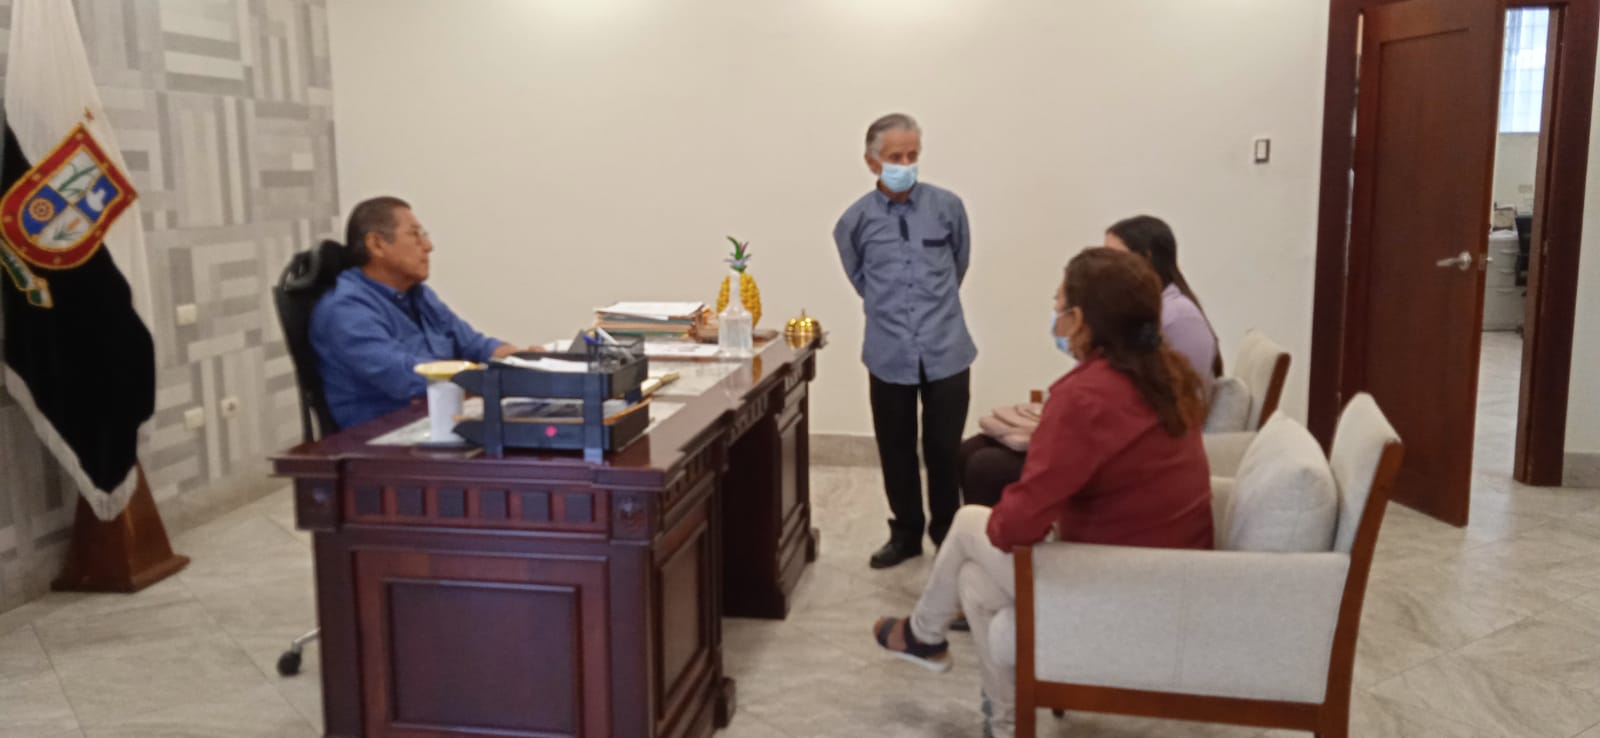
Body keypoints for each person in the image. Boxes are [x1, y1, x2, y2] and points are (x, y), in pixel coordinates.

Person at [869, 247, 1214, 738]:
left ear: (1082, 320)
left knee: (969, 524)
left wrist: (1015, 513)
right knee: (973, 583)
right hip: (1169, 574)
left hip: (1119, 583)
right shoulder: (1166, 373)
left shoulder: (1086, 395)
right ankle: (1004, 724)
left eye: (1059, 304)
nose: (1055, 315)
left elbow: (1015, 526)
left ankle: (923, 634)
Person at [956, 214, 1221, 510]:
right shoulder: (1131, 327)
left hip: (1130, 455)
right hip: (1112, 439)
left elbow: (1169, 405)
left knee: (987, 468)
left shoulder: (1178, 320)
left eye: (1114, 255)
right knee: (972, 450)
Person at [834, 113, 977, 570]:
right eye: (895, 157)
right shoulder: (854, 221)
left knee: (943, 449)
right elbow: (860, 278)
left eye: (912, 155)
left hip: (946, 348)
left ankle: (947, 534)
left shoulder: (947, 207)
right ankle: (906, 533)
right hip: (889, 351)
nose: (905, 164)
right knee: (895, 448)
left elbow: (959, 264)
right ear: (872, 162)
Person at [311, 196, 522, 429]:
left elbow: (473, 344)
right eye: (415, 235)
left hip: (438, 419)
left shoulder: (418, 294)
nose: (428, 246)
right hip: (384, 435)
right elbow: (408, 379)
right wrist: (498, 381)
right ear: (377, 244)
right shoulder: (346, 310)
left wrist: (525, 360)